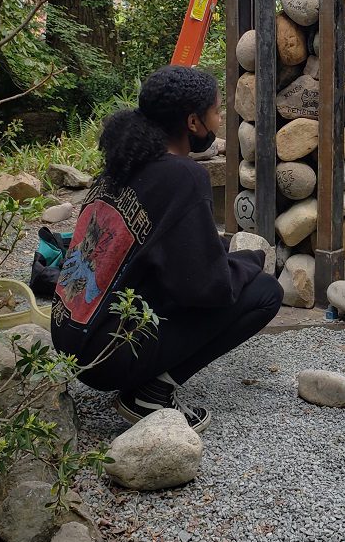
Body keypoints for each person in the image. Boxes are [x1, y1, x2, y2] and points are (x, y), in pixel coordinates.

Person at [52, 66, 281, 432]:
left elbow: (156, 248)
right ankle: (150, 395)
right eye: (217, 111)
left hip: (72, 337)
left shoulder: (120, 167)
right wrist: (250, 261)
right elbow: (207, 288)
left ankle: (142, 378)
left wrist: (219, 251)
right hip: (107, 356)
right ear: (193, 122)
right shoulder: (184, 175)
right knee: (265, 292)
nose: (219, 120)